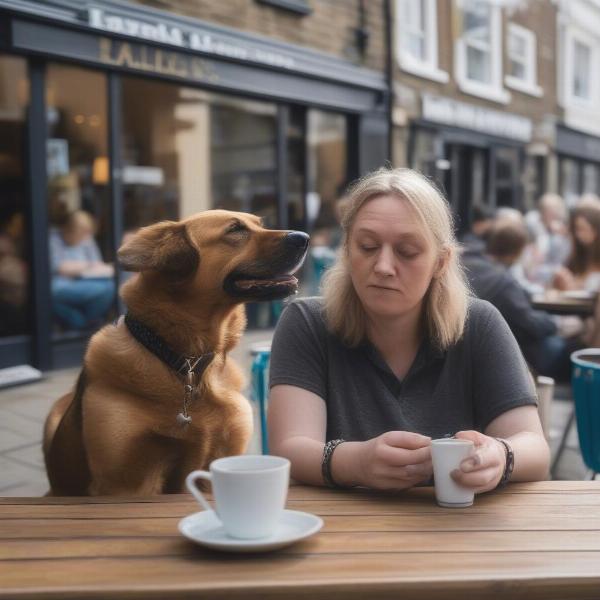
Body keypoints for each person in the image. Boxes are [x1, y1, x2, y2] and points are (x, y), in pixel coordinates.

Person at [268, 168, 549, 494]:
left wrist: (499, 456)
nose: (384, 267)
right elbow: (288, 449)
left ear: (441, 262)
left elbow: (535, 449)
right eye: (368, 246)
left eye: (407, 252)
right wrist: (357, 462)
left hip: (460, 534)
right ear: (346, 250)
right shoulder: (307, 322)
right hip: (342, 533)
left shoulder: (479, 324)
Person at [462, 220, 578, 381]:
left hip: (471, 346)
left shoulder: (469, 260)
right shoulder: (501, 281)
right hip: (509, 352)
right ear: (517, 252)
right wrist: (557, 323)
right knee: (575, 349)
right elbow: (530, 323)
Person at [49, 210, 115, 330]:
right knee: (107, 288)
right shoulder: (53, 238)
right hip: (59, 286)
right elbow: (60, 268)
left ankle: (82, 324)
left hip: (84, 282)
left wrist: (86, 266)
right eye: (80, 234)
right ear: (69, 230)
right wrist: (88, 265)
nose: (83, 238)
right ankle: (85, 326)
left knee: (109, 285)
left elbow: (97, 264)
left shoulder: (86, 238)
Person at [554, 202, 600, 293]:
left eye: (582, 228)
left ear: (595, 229)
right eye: (576, 229)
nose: (579, 235)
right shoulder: (577, 255)